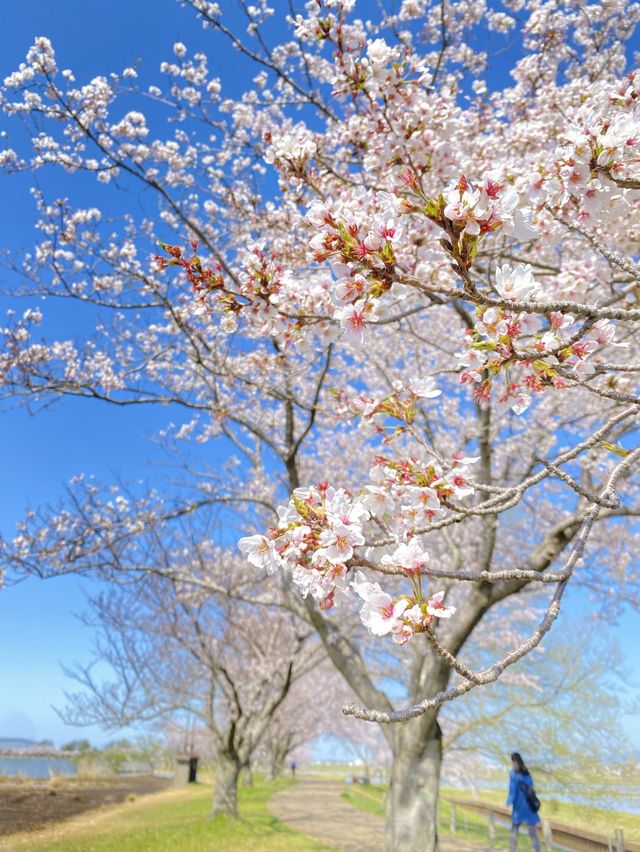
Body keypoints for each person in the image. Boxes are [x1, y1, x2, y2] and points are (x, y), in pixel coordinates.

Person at [507, 752, 541, 851]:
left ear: (516, 762)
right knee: (531, 833)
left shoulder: (513, 773)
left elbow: (512, 790)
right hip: (528, 807)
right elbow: (531, 789)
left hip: (520, 808)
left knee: (514, 832)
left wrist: (508, 802)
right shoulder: (527, 773)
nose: (513, 764)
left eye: (514, 762)